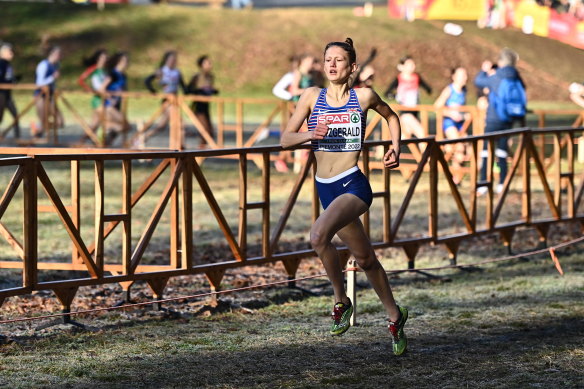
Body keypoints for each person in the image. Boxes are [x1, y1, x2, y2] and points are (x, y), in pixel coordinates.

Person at [280, 38, 409, 356]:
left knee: (318, 234)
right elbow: (285, 139)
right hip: (326, 187)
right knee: (365, 259)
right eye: (328, 60)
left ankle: (340, 300)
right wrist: (311, 133)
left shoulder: (363, 96)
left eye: (339, 60)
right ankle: (395, 316)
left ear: (352, 67)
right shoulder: (312, 96)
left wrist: (395, 147)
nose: (332, 64)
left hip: (353, 185)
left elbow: (392, 117)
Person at [474, 48, 526, 195]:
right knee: (502, 152)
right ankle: (502, 183)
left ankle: (484, 183)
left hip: (493, 118)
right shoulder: (516, 76)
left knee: (486, 151)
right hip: (509, 119)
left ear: (501, 62)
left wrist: (484, 70)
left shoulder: (497, 76)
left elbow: (478, 82)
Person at [140, 50, 186, 146]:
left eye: (174, 60)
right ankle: (181, 147)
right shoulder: (162, 71)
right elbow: (147, 80)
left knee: (162, 126)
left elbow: (184, 87)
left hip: (175, 100)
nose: (173, 61)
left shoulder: (177, 72)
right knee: (180, 124)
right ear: (166, 60)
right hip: (167, 100)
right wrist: (152, 90)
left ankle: (144, 137)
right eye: (171, 59)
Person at [434, 66, 470, 184]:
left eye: (465, 75)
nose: (464, 78)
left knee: (469, 148)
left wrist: (465, 116)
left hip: (460, 124)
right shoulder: (449, 90)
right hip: (449, 123)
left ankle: (457, 177)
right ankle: (455, 178)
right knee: (458, 147)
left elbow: (461, 110)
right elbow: (437, 106)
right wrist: (451, 114)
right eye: (461, 75)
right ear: (454, 77)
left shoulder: (464, 91)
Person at [384, 55, 432, 140]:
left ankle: (388, 150)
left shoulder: (416, 77)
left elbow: (428, 89)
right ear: (402, 66)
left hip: (415, 111)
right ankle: (426, 153)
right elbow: (387, 93)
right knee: (422, 135)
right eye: (409, 64)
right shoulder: (399, 78)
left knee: (404, 138)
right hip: (405, 114)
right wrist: (397, 96)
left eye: (413, 64)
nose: (412, 66)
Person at [187, 55, 219, 148]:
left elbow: (209, 90)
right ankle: (199, 152)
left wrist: (212, 91)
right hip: (198, 106)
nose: (210, 65)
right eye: (207, 63)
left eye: (210, 63)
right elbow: (189, 90)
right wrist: (200, 91)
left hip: (206, 106)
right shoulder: (197, 77)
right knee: (205, 130)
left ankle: (201, 152)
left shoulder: (210, 77)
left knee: (210, 131)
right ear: (201, 65)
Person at [99, 51, 130, 145]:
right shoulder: (113, 74)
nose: (126, 63)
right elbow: (102, 89)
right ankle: (103, 129)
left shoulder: (123, 75)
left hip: (118, 105)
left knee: (120, 128)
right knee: (125, 126)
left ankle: (105, 144)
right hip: (109, 106)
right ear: (118, 62)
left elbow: (124, 90)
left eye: (127, 61)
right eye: (124, 61)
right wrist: (110, 98)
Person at [34, 45, 64, 138]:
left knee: (60, 122)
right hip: (41, 96)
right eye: (58, 54)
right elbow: (40, 82)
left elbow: (52, 82)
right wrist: (52, 77)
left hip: (50, 96)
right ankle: (36, 135)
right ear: (52, 54)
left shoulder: (55, 65)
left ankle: (39, 128)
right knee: (43, 120)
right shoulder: (43, 65)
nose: (59, 57)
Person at [78, 49, 108, 140]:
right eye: (103, 57)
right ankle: (98, 141)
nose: (105, 59)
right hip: (97, 99)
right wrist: (90, 90)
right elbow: (81, 80)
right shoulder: (94, 68)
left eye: (106, 57)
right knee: (103, 121)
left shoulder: (105, 70)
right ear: (98, 59)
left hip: (104, 98)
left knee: (95, 124)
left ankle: (84, 142)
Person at [0, 43, 20, 138]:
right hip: (1, 95)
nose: (11, 54)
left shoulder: (8, 64)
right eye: (9, 52)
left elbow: (8, 78)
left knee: (16, 115)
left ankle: (18, 139)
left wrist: (14, 79)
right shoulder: (1, 63)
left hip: (7, 95)